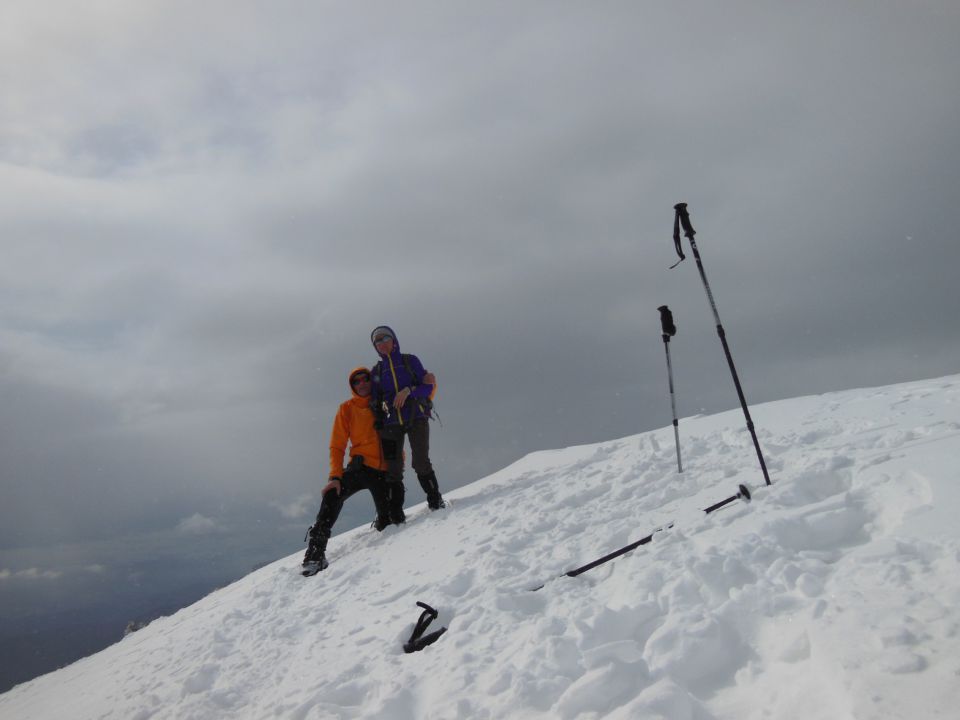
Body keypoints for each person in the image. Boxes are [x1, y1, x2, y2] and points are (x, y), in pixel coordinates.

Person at [302, 367, 392, 574]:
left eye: (365, 379)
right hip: (359, 467)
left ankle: (383, 518)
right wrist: (335, 476)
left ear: (372, 380)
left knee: (391, 524)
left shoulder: (385, 402)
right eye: (356, 381)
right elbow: (337, 445)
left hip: (386, 471)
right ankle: (315, 554)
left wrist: (429, 385)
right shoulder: (346, 409)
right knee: (333, 494)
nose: (361, 383)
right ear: (352, 386)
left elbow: (416, 405)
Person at [369, 325, 446, 521]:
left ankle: (435, 501)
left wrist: (408, 390)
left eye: (385, 338)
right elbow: (375, 400)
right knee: (393, 469)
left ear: (394, 340)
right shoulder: (377, 371)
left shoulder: (410, 361)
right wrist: (378, 417)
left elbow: (427, 387)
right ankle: (396, 515)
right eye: (377, 341)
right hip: (390, 423)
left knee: (420, 462)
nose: (381, 343)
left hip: (416, 417)